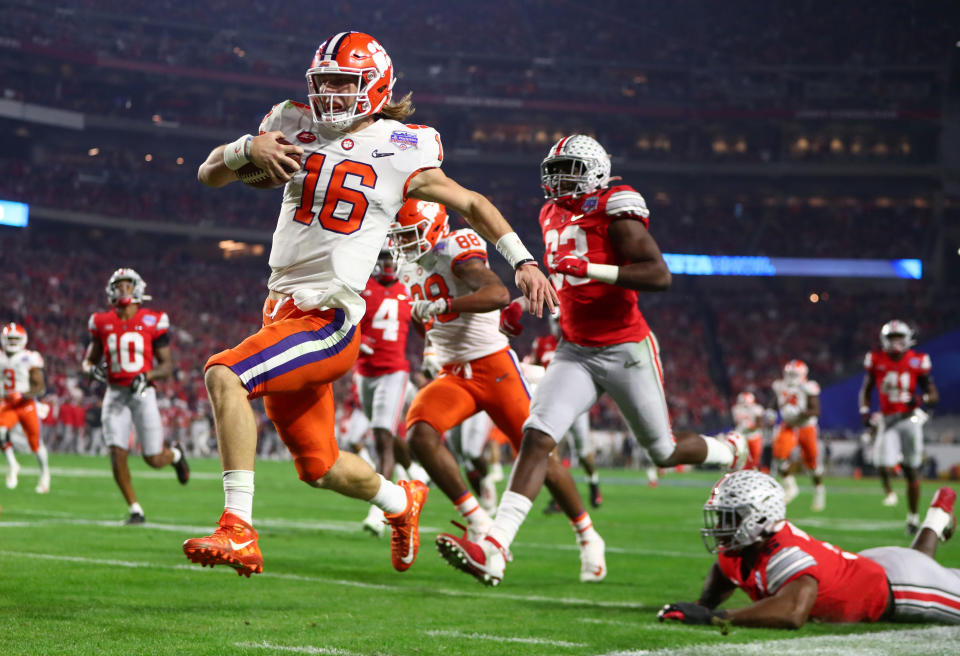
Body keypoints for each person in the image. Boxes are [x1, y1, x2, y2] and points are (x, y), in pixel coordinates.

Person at [181, 31, 555, 578]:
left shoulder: (404, 145)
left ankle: (238, 529)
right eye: (323, 81)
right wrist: (245, 148)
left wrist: (521, 259)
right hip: (281, 310)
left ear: (376, 86)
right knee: (319, 466)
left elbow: (470, 202)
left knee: (225, 374)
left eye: (343, 81)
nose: (330, 93)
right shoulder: (289, 123)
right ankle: (402, 504)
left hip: (328, 317)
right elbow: (208, 174)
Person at [436, 134, 747, 587]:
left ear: (596, 172)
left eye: (570, 171)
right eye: (554, 171)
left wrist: (593, 269)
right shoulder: (550, 213)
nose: (560, 180)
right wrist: (523, 306)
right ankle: (496, 547)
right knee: (537, 436)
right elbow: (565, 283)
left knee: (662, 451)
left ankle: (732, 449)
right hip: (576, 349)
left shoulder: (615, 209)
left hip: (624, 348)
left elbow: (659, 275)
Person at [390, 197, 605, 582]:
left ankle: (588, 535)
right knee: (420, 433)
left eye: (410, 235)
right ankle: (477, 519)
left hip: (494, 366)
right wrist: (430, 347)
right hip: (455, 373)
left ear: (434, 228)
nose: (404, 244)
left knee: (539, 456)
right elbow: (431, 323)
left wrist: (441, 306)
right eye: (400, 236)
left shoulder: (457, 247)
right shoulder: (408, 268)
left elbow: (497, 294)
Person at [658, 470, 959, 629]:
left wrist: (715, 617)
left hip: (902, 586)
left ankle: (939, 513)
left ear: (760, 517)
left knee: (925, 568)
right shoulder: (739, 549)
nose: (721, 524)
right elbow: (722, 578)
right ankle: (939, 514)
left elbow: (792, 613)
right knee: (922, 562)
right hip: (873, 566)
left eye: (730, 516)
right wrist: (700, 606)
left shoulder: (786, 554)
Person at [82, 269, 189, 524]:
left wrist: (148, 375)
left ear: (138, 289)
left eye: (127, 286)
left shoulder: (154, 320)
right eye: (118, 286)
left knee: (153, 458)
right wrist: (91, 370)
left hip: (142, 394)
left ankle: (174, 455)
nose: (122, 291)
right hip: (115, 394)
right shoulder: (101, 321)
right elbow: (88, 362)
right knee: (116, 453)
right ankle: (135, 509)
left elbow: (166, 366)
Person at [503, 306, 603, 512]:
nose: (557, 326)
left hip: (576, 402)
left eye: (560, 321)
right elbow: (536, 367)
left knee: (583, 452)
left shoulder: (578, 342)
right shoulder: (542, 343)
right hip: (552, 403)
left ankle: (593, 482)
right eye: (555, 321)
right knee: (550, 449)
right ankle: (558, 498)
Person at [354, 245, 416, 537]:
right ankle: (414, 473)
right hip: (365, 373)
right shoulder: (362, 287)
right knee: (385, 433)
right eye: (382, 256)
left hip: (394, 371)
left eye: (391, 256)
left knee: (381, 436)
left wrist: (431, 355)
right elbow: (344, 319)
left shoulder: (411, 289)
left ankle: (379, 510)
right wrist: (357, 338)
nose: (387, 262)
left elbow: (425, 326)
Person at [859, 320, 938, 534]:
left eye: (898, 338)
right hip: (887, 418)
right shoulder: (876, 359)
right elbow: (866, 389)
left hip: (909, 418)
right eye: (891, 338)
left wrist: (918, 399)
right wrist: (864, 411)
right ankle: (894, 470)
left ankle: (912, 517)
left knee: (912, 470)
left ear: (907, 339)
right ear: (884, 340)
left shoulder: (917, 361)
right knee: (881, 463)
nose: (895, 343)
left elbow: (933, 394)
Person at [0, 322, 51, 493]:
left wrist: (22, 394)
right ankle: (13, 465)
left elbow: (40, 387)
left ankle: (44, 473)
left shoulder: (30, 357)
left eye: (16, 338)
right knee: (0, 431)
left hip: (26, 404)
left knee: (35, 443)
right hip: (7, 403)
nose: (13, 342)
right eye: (10, 338)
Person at [771, 359, 825, 511]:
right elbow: (776, 402)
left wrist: (802, 413)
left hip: (806, 427)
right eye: (789, 374)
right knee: (779, 456)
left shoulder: (808, 387)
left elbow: (816, 410)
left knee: (811, 463)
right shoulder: (780, 385)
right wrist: (770, 411)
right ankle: (790, 487)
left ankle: (819, 489)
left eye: (795, 374)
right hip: (788, 425)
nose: (791, 377)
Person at [731, 391, 765, 470]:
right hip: (742, 437)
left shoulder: (757, 409)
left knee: (755, 461)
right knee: (741, 460)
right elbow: (736, 423)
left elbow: (760, 424)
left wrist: (750, 427)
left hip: (754, 436)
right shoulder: (736, 409)